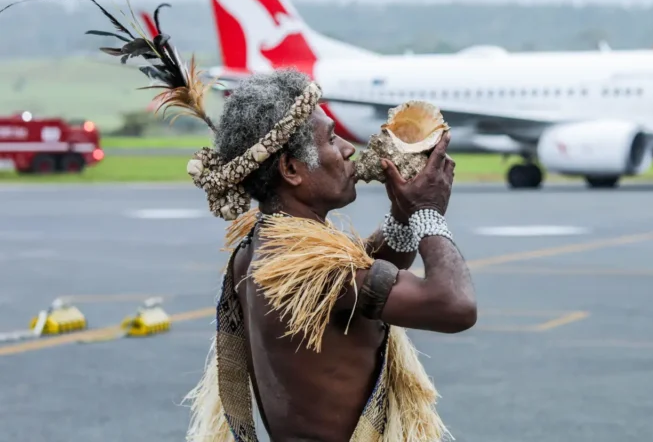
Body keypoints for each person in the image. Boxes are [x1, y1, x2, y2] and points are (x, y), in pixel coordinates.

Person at [182, 69, 477, 442]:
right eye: (332, 139)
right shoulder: (311, 269)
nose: (348, 149)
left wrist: (403, 216)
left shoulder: (263, 249)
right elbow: (455, 306)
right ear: (291, 169)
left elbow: (363, 285)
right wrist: (427, 212)